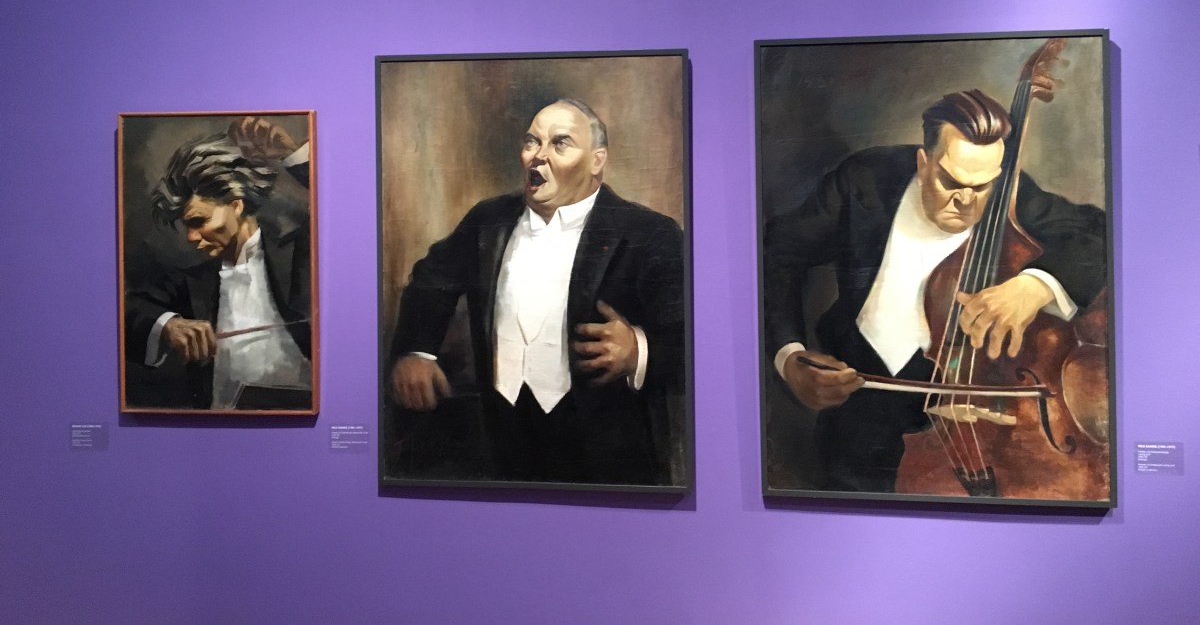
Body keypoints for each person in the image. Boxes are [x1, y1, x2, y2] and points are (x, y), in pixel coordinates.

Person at [764, 89, 1107, 492]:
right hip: (861, 401)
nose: (966, 202)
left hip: (976, 417)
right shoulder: (864, 181)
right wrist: (789, 356)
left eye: (982, 187)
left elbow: (1098, 235)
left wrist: (1034, 285)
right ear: (923, 163)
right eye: (951, 182)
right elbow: (778, 253)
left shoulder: (1011, 194)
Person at [388, 99, 685, 485]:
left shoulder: (650, 234)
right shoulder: (488, 220)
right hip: (499, 435)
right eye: (532, 142)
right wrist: (417, 351)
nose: (538, 156)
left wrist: (639, 350)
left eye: (560, 143)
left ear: (597, 161)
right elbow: (432, 278)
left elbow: (691, 338)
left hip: (605, 446)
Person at [124, 116, 314, 410]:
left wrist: (294, 155)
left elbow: (347, 208)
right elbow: (129, 310)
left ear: (236, 204)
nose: (190, 237)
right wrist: (169, 325)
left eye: (198, 221)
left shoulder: (301, 253)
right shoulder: (190, 282)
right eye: (186, 226)